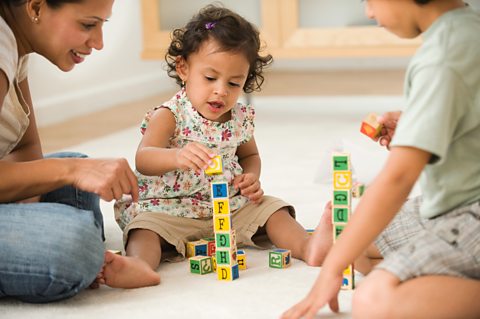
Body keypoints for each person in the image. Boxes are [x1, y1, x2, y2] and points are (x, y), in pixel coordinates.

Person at [282, 0, 480, 318]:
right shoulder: (469, 27)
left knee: (374, 302)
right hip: (447, 205)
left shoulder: (441, 58)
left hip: (470, 216)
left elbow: (398, 178)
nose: (368, 13)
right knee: (351, 240)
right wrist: (417, 122)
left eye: (370, 0)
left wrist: (330, 271)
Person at [110, 4, 331, 288]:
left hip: (228, 205)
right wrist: (176, 156)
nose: (221, 91)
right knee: (144, 228)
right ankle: (138, 266)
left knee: (274, 209)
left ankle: (308, 246)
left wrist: (251, 176)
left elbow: (250, 155)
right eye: (210, 78)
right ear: (184, 68)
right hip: (171, 209)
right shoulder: (170, 115)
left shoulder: (239, 118)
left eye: (234, 83)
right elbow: (144, 158)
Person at [0, 0, 158, 303]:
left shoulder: (15, 42)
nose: (98, 43)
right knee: (75, 244)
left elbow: (25, 146)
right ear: (36, 7)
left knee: (76, 187)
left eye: (102, 25)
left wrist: (32, 210)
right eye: (88, 24)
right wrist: (71, 171)